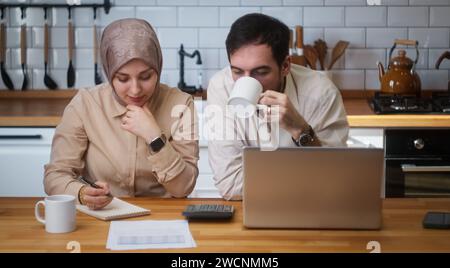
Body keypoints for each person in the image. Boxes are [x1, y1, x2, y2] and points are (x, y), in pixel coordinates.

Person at [44, 18, 199, 210]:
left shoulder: (181, 105)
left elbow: (183, 187)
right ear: (109, 73)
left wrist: (154, 138)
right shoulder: (85, 104)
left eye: (145, 77)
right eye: (123, 78)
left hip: (162, 217)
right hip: (100, 218)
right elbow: (55, 176)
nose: (135, 90)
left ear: (158, 68)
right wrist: (82, 194)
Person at [207, 13, 349, 200]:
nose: (246, 81)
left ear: (285, 66)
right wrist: (305, 177)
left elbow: (336, 180)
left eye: (261, 71)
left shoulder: (321, 93)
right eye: (237, 71)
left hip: (313, 207)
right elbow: (231, 185)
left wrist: (301, 131)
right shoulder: (221, 88)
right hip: (248, 211)